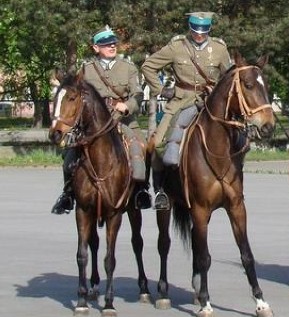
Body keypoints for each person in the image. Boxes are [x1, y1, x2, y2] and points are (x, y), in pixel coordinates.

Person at [51, 26, 151, 214]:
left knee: (142, 148)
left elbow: (137, 94)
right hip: (94, 123)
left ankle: (140, 191)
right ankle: (68, 194)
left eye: (113, 43)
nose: (111, 46)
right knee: (70, 155)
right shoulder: (87, 69)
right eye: (106, 44)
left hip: (122, 120)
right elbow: (76, 93)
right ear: (96, 48)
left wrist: (127, 105)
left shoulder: (128, 67)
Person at [141, 12, 232, 210]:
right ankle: (160, 191)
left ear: (209, 29)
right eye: (195, 30)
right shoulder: (177, 47)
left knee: (238, 139)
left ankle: (234, 188)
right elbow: (148, 66)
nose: (199, 35)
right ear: (190, 27)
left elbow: (229, 76)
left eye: (204, 30)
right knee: (157, 144)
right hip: (181, 101)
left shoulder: (219, 48)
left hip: (210, 102)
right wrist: (162, 90)